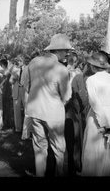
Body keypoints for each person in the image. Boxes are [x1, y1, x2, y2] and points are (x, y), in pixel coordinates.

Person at [24, 33, 73, 177]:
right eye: (66, 50)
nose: (67, 54)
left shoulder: (34, 62)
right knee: (59, 147)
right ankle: (59, 174)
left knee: (39, 145)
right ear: (57, 50)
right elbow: (67, 96)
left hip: (34, 109)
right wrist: (58, 103)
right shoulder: (61, 69)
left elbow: (26, 85)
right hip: (53, 113)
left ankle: (40, 174)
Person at [81, 52, 110, 176]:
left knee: (95, 151)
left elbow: (95, 104)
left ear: (93, 66)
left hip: (96, 119)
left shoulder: (91, 79)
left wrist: (106, 126)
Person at [64, 52, 84, 175]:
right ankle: (75, 164)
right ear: (75, 61)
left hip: (64, 105)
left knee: (65, 135)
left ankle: (66, 162)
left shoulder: (61, 71)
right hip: (74, 105)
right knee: (75, 136)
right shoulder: (78, 74)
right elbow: (81, 93)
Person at [10, 55, 27, 133]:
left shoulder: (28, 68)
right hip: (16, 89)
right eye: (17, 61)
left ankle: (27, 129)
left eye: (20, 61)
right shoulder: (14, 69)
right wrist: (14, 79)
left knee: (27, 110)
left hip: (25, 90)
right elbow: (10, 81)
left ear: (23, 61)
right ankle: (18, 128)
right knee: (16, 109)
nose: (18, 62)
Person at [0, 58, 14, 130]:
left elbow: (6, 83)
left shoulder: (7, 73)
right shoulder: (5, 72)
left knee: (7, 108)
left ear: (3, 65)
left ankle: (8, 123)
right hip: (4, 92)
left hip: (7, 92)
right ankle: (5, 122)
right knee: (4, 108)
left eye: (0, 65)